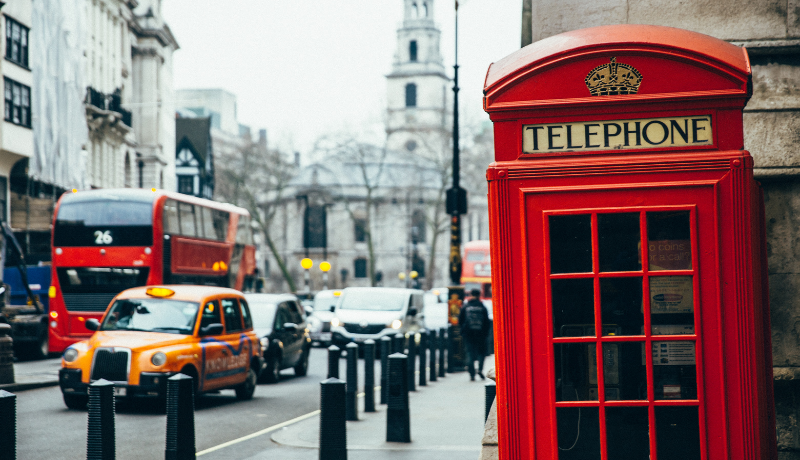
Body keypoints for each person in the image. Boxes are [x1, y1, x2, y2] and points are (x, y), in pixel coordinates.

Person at [458, 288, 490, 381]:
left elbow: (460, 320)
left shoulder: (466, 306)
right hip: (481, 334)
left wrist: (463, 331)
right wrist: (486, 333)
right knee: (481, 353)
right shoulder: (482, 306)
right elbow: (486, 322)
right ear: (479, 295)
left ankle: (472, 373)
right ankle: (480, 369)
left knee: (470, 353)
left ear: (471, 295)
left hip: (468, 334)